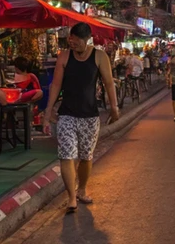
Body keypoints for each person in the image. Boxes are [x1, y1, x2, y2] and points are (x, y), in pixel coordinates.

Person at [42, 23, 119, 213]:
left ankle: (82, 189)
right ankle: (71, 197)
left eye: (76, 40)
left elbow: (109, 83)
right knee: (66, 155)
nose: (72, 43)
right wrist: (48, 112)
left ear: (86, 40)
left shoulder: (99, 56)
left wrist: (114, 107)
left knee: (86, 157)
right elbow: (55, 85)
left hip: (89, 116)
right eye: (71, 39)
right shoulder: (64, 56)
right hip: (67, 114)